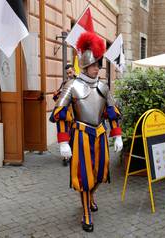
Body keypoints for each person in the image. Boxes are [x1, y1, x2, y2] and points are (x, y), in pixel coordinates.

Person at [50, 32, 123, 232]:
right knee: (84, 175)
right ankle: (86, 212)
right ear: (84, 65)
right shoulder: (71, 86)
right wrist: (63, 142)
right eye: (94, 65)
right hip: (81, 136)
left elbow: (111, 112)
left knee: (101, 172)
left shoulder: (103, 86)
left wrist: (117, 134)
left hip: (100, 134)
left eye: (98, 64)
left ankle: (91, 195)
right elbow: (61, 114)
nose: (97, 68)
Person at [53, 64, 77, 166]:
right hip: (65, 112)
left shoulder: (79, 83)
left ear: (74, 71)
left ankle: (75, 154)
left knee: (74, 134)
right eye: (67, 73)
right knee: (64, 132)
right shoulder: (64, 83)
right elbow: (56, 97)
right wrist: (59, 94)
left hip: (77, 113)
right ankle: (65, 156)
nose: (69, 75)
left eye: (70, 72)